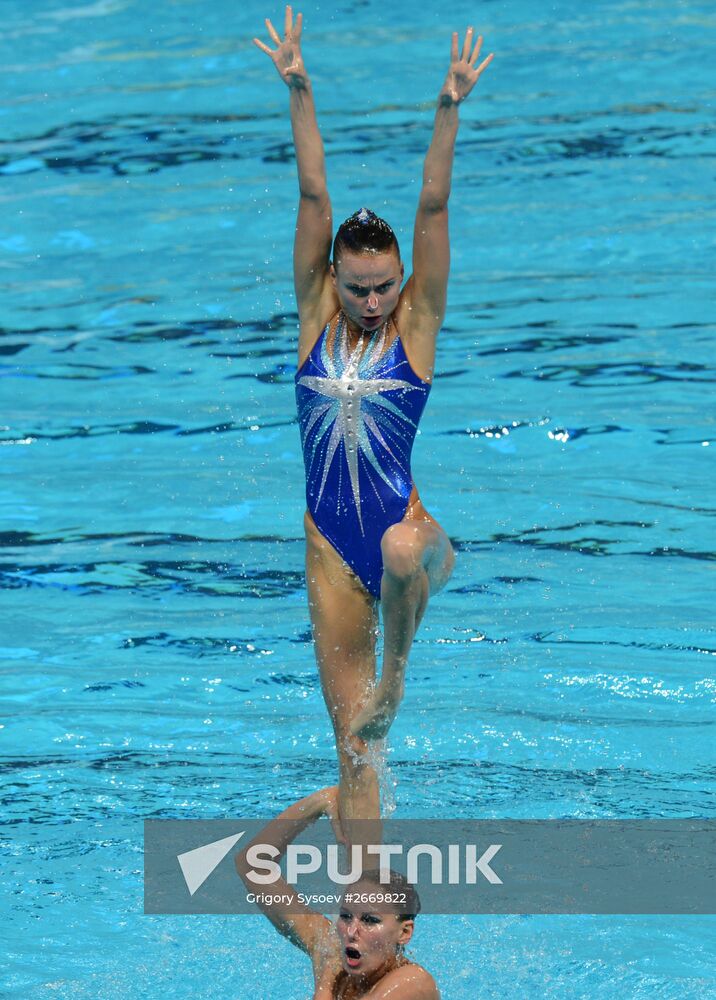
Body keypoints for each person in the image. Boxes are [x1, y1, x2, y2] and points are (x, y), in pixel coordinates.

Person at [253, 8, 494, 827]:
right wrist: (298, 88)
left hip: (410, 539)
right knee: (354, 749)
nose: (369, 300)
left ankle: (397, 676)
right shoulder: (315, 315)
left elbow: (433, 208)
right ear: (334, 279)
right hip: (327, 546)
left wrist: (448, 105)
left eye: (382, 285)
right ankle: (364, 928)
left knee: (396, 549)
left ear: (400, 280)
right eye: (356, 286)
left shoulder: (415, 329)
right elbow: (312, 191)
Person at [235, 786, 440, 999]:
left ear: (404, 932)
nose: (351, 931)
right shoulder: (335, 948)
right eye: (346, 916)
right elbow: (252, 866)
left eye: (370, 920)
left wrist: (325, 982)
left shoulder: (413, 982)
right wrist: (319, 803)